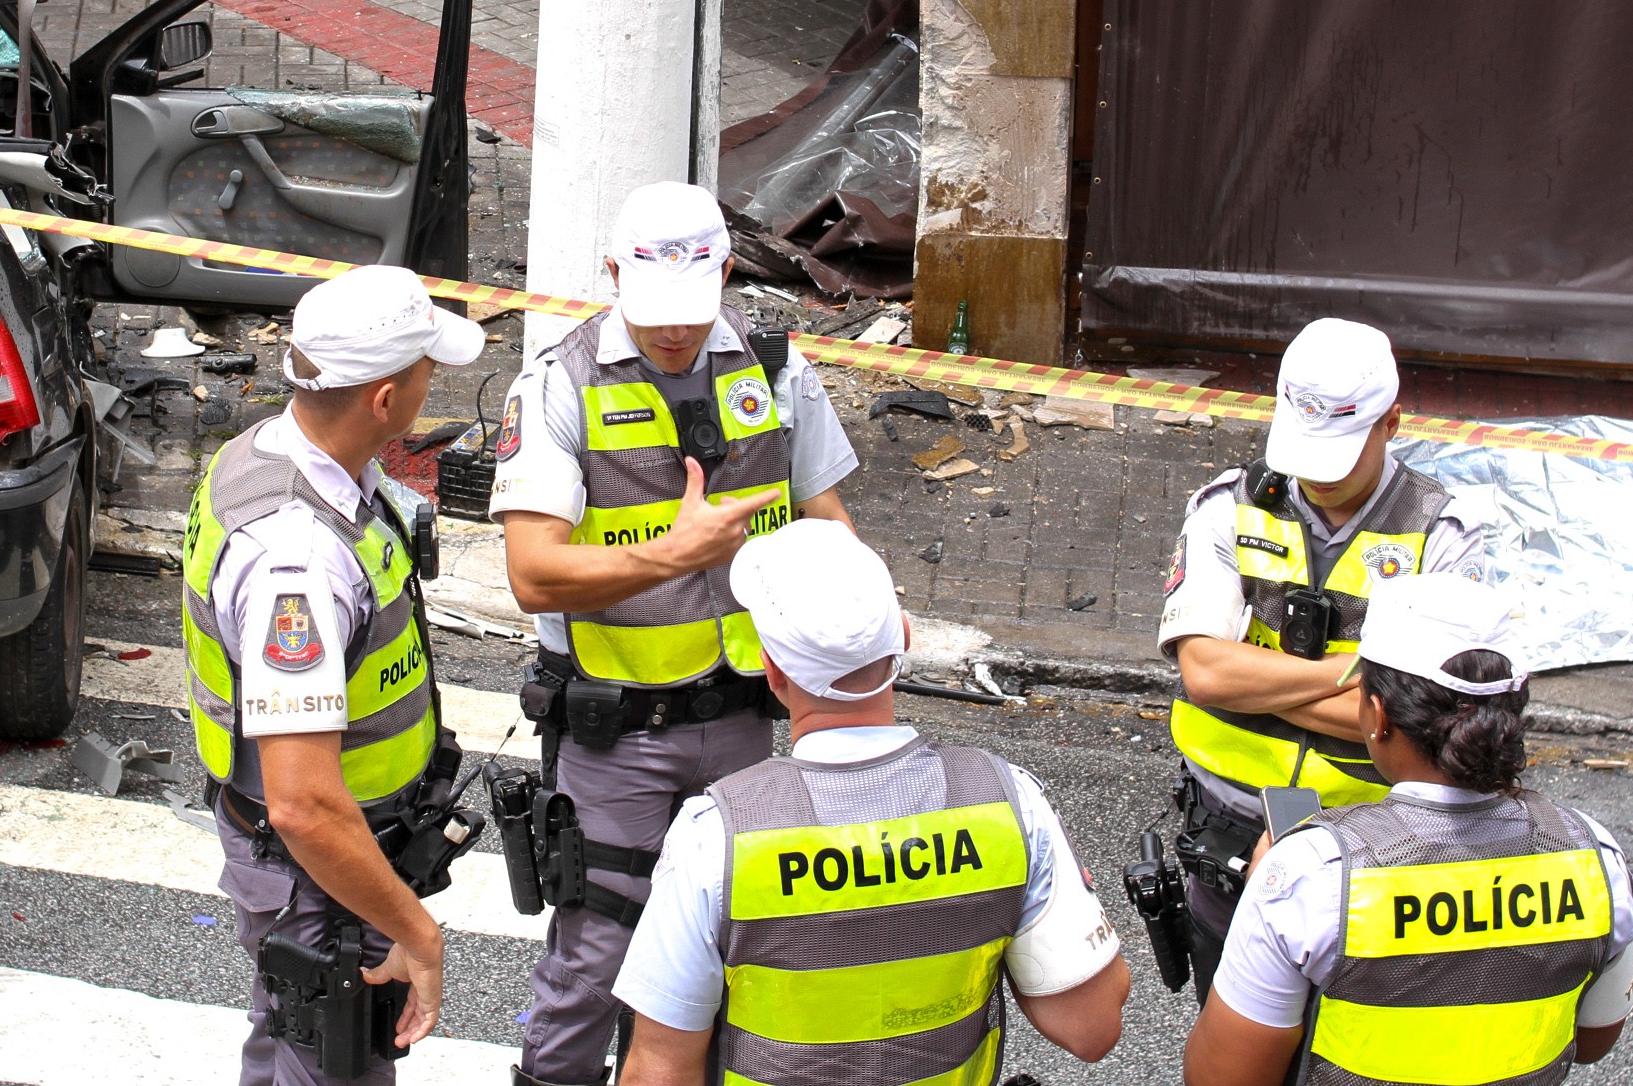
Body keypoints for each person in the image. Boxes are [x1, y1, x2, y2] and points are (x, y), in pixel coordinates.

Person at [489, 181, 861, 1086]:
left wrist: (861, 607)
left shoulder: (772, 371)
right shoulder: (560, 382)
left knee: (735, 961)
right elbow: (532, 571)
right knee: (593, 965)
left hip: (746, 725)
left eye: (691, 314)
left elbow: (827, 518)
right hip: (617, 732)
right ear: (611, 273)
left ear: (728, 273)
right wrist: (671, 554)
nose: (673, 334)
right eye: (652, 311)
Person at [615, 519, 1130, 1086]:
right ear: (904, 637)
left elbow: (659, 1071)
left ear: (773, 671)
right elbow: (1091, 1027)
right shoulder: (1010, 804)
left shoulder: (717, 836)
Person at [182, 265, 485, 1086]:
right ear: (384, 399)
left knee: (288, 1047)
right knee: (331, 1062)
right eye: (427, 370)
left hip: (324, 861)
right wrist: (418, 933)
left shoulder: (275, 452)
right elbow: (306, 804)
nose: (435, 384)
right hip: (317, 874)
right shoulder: (297, 560)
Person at [1184, 573, 1633, 1086]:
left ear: (1377, 716)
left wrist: (1261, 892)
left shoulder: (1306, 878)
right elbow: (1595, 1040)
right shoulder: (1595, 856)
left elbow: (1221, 1079)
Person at [1159, 317, 1493, 1000]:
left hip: (1379, 840)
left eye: (1336, 453)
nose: (1315, 475)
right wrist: (1360, 678)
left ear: (1391, 422)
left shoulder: (1444, 535)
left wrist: (1253, 679)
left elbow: (1432, 716)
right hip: (1228, 827)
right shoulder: (1229, 506)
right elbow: (1205, 674)